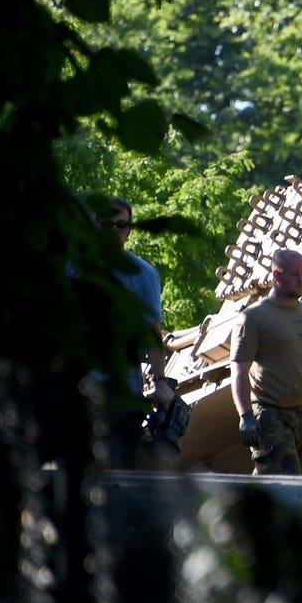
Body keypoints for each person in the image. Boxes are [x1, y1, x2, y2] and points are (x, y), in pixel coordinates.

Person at [229, 248, 302, 475]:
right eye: (294, 275)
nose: (301, 280)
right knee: (283, 485)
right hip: (270, 413)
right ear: (276, 276)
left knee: (300, 484)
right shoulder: (253, 317)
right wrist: (245, 416)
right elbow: (239, 370)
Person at [99, 196, 177, 466]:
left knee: (122, 467)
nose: (113, 232)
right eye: (105, 225)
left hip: (123, 384)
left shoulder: (142, 274)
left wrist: (160, 383)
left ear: (129, 229)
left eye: (120, 225)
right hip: (76, 383)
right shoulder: (70, 266)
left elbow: (152, 333)